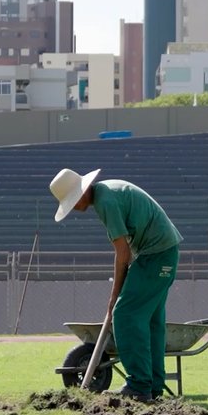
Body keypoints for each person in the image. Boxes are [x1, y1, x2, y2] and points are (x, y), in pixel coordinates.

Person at [49, 168, 183, 402]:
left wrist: (114, 298)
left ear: (80, 195)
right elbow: (125, 251)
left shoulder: (105, 202)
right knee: (151, 321)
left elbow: (122, 253)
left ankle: (139, 385)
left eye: (72, 204)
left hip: (155, 254)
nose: (74, 210)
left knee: (125, 315)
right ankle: (152, 386)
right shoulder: (107, 192)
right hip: (162, 252)